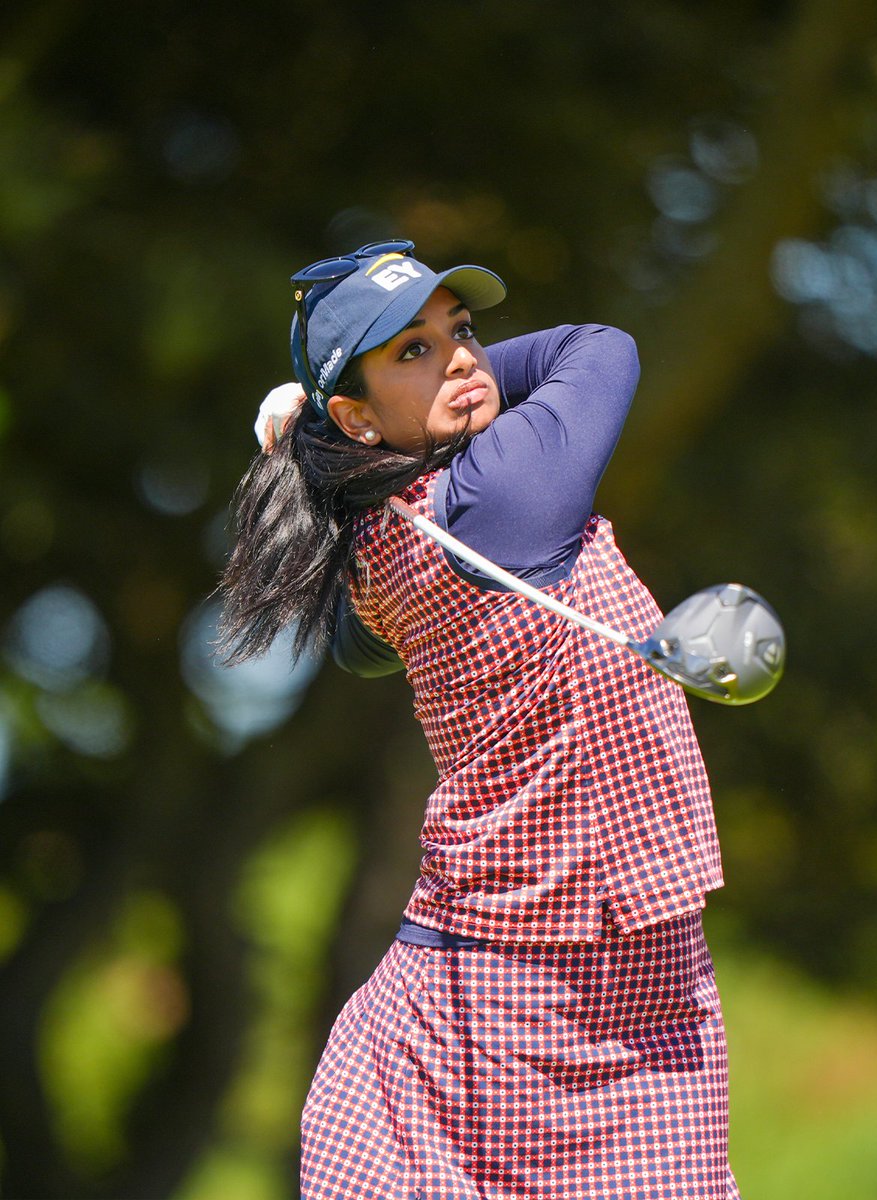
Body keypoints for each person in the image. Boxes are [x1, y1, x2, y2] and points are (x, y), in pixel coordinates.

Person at [219, 240, 741, 1199]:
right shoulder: (504, 491)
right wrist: (333, 425)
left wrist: (337, 435)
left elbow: (359, 646)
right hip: (522, 1004)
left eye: (461, 332)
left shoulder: (382, 536)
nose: (462, 359)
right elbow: (600, 347)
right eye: (411, 351)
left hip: (547, 975)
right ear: (357, 415)